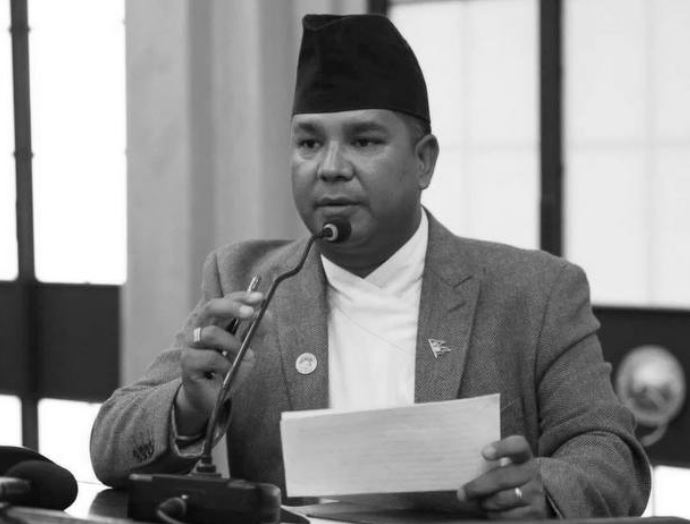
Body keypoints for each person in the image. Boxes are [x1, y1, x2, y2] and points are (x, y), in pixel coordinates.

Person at [90, 13, 650, 519]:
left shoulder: (535, 291)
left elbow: (611, 456)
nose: (330, 168)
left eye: (363, 140)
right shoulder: (247, 279)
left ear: (423, 161)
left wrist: (542, 490)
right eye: (309, 143)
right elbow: (110, 445)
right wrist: (188, 406)